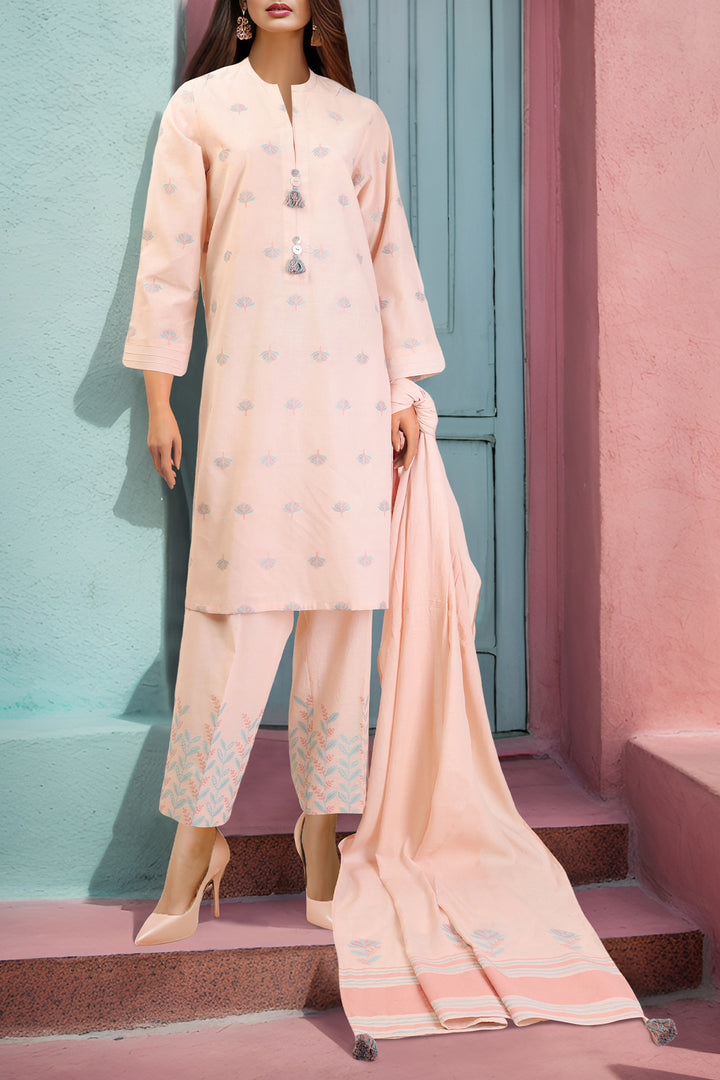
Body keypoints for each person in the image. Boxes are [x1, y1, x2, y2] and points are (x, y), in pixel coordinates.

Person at [122, 0, 445, 946]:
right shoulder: (200, 110)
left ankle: (322, 834)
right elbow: (169, 259)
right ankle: (196, 840)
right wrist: (158, 397)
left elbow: (389, 260)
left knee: (342, 613)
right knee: (233, 613)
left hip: (350, 399)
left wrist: (402, 389)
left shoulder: (359, 121)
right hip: (246, 396)